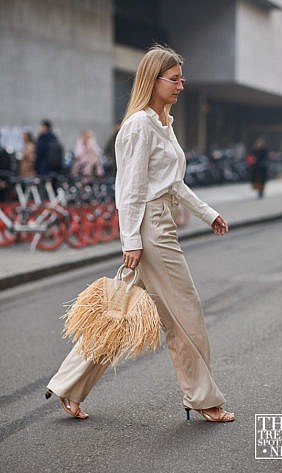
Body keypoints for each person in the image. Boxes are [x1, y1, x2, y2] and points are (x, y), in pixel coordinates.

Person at [45, 45, 235, 423]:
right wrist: (130, 240)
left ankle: (68, 385)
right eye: (175, 78)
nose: (182, 84)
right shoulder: (138, 126)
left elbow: (175, 184)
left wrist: (208, 214)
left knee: (117, 312)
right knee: (185, 312)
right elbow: (128, 188)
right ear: (155, 79)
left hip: (160, 221)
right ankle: (202, 398)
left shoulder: (165, 124)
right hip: (149, 228)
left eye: (183, 77)